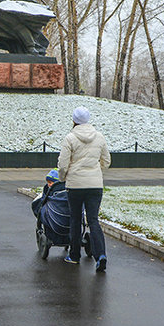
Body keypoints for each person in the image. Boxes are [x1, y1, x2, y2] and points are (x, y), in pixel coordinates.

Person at [58, 106, 111, 272]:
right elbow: (107, 160)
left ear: (74, 120)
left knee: (75, 218)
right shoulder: (99, 137)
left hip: (75, 185)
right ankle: (100, 255)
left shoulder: (70, 138)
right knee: (93, 220)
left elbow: (63, 164)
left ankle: (74, 255)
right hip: (95, 185)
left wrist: (63, 178)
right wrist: (96, 173)